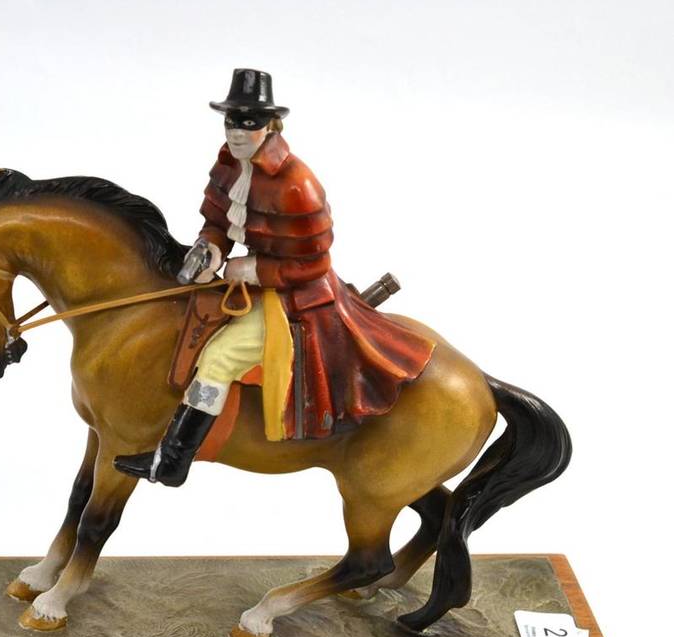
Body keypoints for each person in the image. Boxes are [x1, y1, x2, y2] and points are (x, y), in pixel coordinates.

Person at [114, 69, 435, 487]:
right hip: (251, 284)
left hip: (296, 300)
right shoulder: (228, 166)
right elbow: (217, 220)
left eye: (248, 122)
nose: (237, 131)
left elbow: (313, 264)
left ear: (271, 126)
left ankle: (173, 460)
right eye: (231, 121)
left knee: (219, 356)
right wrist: (210, 249)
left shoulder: (298, 184)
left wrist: (254, 270)